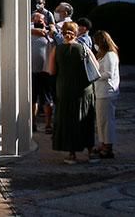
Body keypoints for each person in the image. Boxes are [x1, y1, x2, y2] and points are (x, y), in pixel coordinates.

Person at [49, 21, 99, 164]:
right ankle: (90, 151)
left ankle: (72, 154)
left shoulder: (56, 50)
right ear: (77, 33)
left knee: (68, 121)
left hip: (64, 89)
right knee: (86, 119)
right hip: (84, 90)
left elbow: (51, 70)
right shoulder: (84, 48)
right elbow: (96, 67)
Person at [91, 30, 120, 159]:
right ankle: (103, 143)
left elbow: (108, 73)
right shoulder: (103, 55)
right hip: (101, 91)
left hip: (107, 92)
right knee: (101, 120)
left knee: (107, 121)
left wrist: (94, 76)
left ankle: (108, 147)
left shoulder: (110, 55)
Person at [29, 12, 53, 133]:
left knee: (47, 99)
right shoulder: (28, 30)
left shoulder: (49, 33)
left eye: (42, 20)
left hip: (45, 71)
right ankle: (33, 123)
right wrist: (33, 30)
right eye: (37, 19)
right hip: (31, 71)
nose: (40, 22)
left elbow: (56, 36)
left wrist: (47, 31)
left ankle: (48, 125)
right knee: (33, 99)